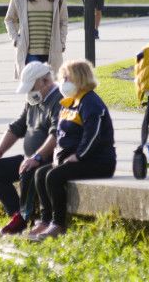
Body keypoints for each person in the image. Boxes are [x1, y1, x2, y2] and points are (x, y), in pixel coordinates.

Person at [27, 60, 116, 241]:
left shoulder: (90, 102)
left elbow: (94, 135)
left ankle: (58, 224)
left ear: (80, 78)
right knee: (40, 174)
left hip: (96, 161)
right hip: (73, 159)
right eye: (63, 77)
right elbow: (62, 135)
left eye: (68, 77)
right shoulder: (70, 102)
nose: (64, 81)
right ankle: (45, 220)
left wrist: (79, 155)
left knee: (54, 177)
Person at [0, 62, 63, 236]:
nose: (29, 92)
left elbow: (56, 134)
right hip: (31, 157)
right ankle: (16, 214)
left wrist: (37, 157)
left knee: (30, 170)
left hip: (47, 159)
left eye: (32, 87)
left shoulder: (58, 100)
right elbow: (17, 127)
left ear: (44, 81)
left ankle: (25, 217)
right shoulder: (34, 100)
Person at [5, 0, 69, 78]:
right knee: (34, 86)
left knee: (49, 88)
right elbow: (9, 19)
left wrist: (62, 42)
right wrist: (16, 40)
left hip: (51, 51)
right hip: (29, 51)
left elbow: (63, 21)